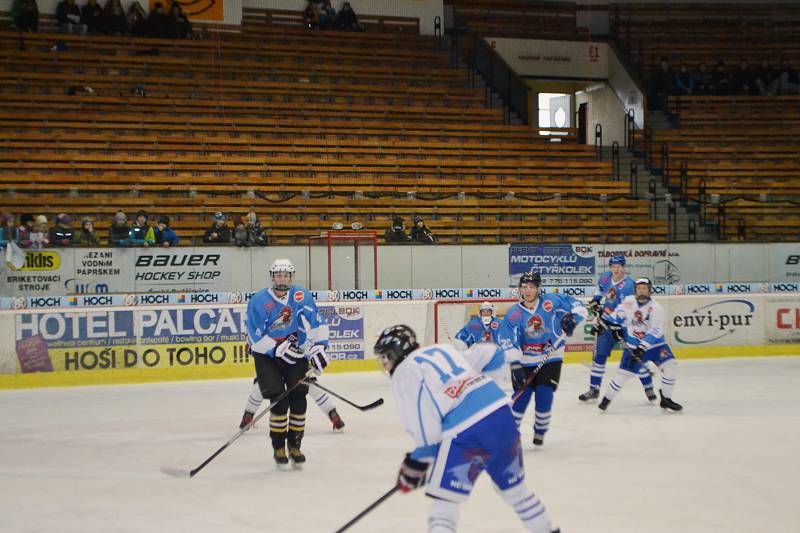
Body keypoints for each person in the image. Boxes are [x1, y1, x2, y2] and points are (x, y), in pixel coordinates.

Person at [374, 325, 561, 533]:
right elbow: (494, 353)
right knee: (517, 493)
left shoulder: (404, 371)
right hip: (502, 415)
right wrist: (488, 389)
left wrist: (415, 464)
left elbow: (426, 430)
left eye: (386, 357)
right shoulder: (444, 349)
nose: (386, 363)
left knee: (444, 504)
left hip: (468, 433)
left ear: (395, 353)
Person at [245, 258, 331, 468]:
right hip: (267, 356)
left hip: (295, 353)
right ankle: (278, 446)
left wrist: (319, 347)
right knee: (279, 400)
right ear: (272, 277)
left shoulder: (302, 295)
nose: (283, 279)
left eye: (287, 275)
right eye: (279, 275)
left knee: (299, 396)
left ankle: (295, 445)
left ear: (292, 277)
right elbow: (255, 339)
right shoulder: (258, 301)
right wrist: (275, 349)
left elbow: (316, 323)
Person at [498, 271, 587, 446]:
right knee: (521, 398)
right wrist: (515, 363)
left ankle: (540, 431)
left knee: (544, 394)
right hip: (524, 361)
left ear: (538, 289)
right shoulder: (514, 314)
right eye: (524, 287)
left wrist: (573, 319)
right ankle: (510, 435)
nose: (527, 290)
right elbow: (506, 339)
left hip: (551, 357)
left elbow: (578, 306)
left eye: (531, 287)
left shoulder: (551, 302)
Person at [593, 278, 683, 413]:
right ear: (635, 290)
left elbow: (656, 330)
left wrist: (643, 347)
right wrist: (604, 323)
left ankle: (666, 399)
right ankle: (606, 400)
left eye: (644, 288)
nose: (642, 290)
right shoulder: (629, 301)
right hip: (633, 346)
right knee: (623, 375)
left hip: (656, 346)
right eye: (639, 288)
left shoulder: (656, 308)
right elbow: (619, 315)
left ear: (649, 290)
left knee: (670, 365)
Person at [579, 255, 655, 402]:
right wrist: (596, 301)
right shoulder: (606, 277)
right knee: (599, 356)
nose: (616, 269)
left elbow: (629, 309)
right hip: (607, 324)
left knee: (635, 356)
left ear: (623, 267)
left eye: (619, 266)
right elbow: (600, 292)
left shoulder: (628, 285)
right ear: (610, 267)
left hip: (626, 326)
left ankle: (648, 387)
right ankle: (593, 389)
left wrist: (618, 325)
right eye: (613, 266)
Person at [238, 377, 345, 432]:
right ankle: (332, 413)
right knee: (313, 388)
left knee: (260, 387)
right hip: (295, 366)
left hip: (275, 366)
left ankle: (248, 415)